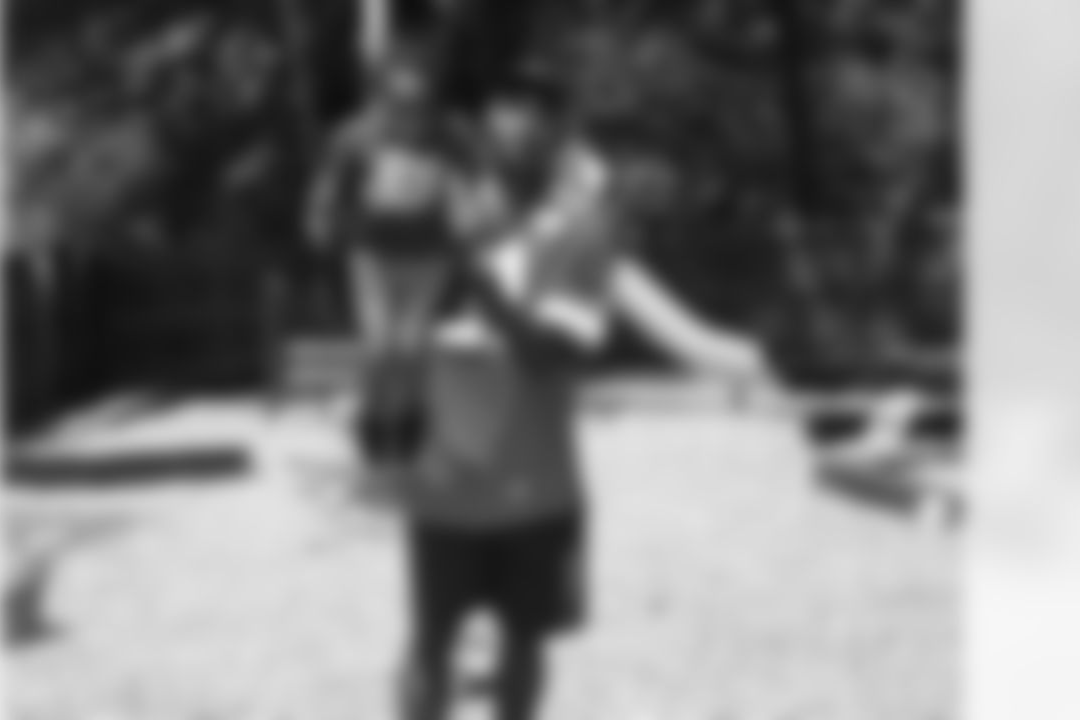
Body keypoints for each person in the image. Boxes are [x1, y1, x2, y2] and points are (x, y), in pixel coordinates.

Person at [395, 65, 769, 720]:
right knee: (430, 648)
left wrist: (473, 273)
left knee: (523, 648)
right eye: (506, 104)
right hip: (444, 490)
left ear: (560, 132)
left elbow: (551, 353)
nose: (518, 122)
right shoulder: (449, 214)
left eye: (536, 110)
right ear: (485, 123)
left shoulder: (585, 236)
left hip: (537, 493)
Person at [305, 42, 473, 471]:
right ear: (384, 96)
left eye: (418, 102)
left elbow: (469, 184)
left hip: (429, 252)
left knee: (412, 345)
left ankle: (410, 421)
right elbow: (329, 183)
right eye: (400, 102)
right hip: (373, 253)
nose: (410, 112)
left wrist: (468, 216)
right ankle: (372, 417)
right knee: (379, 345)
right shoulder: (357, 134)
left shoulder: (448, 135)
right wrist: (320, 217)